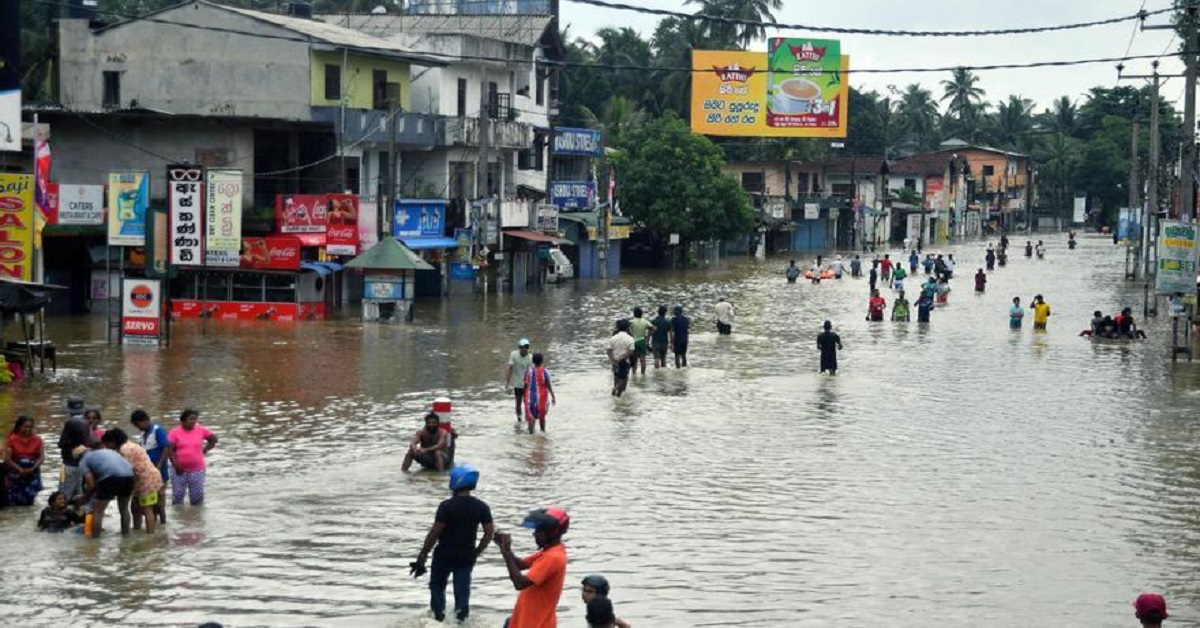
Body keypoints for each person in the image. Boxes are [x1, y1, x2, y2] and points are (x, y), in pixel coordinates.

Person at [410, 465, 494, 623]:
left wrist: (423, 554)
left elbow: (435, 533)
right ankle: (461, 622)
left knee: (437, 587)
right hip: (466, 557)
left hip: (444, 556)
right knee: (462, 592)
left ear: (456, 482)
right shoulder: (482, 507)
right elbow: (489, 534)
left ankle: (438, 619)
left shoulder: (446, 506)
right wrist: (476, 552)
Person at [496, 507, 570, 628]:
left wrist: (507, 553)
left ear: (551, 532)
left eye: (538, 530)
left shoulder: (553, 557)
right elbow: (519, 564)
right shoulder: (548, 552)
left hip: (536, 623)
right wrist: (505, 548)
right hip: (527, 619)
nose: (534, 534)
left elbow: (520, 583)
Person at [105, 428, 162, 534]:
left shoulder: (124, 450)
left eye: (107, 443)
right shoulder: (129, 445)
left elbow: (127, 469)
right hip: (144, 479)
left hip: (146, 480)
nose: (107, 447)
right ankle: (138, 530)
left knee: (147, 509)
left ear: (113, 441)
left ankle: (150, 535)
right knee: (135, 507)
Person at [78, 443, 135, 536]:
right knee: (124, 509)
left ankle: (95, 539)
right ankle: (126, 535)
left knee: (98, 511)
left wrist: (85, 498)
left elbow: (91, 484)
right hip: (129, 476)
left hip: (110, 477)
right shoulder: (106, 452)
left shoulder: (83, 460)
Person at [166, 409, 218, 505]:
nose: (193, 421)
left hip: (197, 469)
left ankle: (196, 518)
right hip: (178, 469)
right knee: (177, 497)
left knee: (197, 498)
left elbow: (214, 439)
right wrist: (176, 464)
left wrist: (205, 449)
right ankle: (178, 519)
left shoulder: (201, 430)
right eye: (190, 419)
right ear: (183, 420)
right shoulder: (175, 432)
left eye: (195, 419)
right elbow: (169, 450)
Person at [131, 410, 170, 525]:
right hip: (148, 475)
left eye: (138, 425)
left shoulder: (157, 430)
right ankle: (156, 524)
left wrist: (159, 464)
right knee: (151, 503)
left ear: (145, 420)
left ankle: (163, 524)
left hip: (160, 473)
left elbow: (166, 447)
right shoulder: (143, 436)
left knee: (160, 503)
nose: (138, 428)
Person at [57, 398, 90, 503]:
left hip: (70, 463)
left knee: (66, 492)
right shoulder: (85, 422)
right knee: (79, 491)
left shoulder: (70, 423)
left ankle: (63, 515)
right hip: (81, 462)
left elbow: (61, 443)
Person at [7, 415, 44, 506]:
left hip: (32, 472)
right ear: (20, 427)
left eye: (30, 427)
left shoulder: (38, 440)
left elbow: (41, 457)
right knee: (14, 500)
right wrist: (20, 469)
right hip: (16, 473)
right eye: (25, 427)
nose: (28, 429)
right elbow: (7, 459)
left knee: (30, 499)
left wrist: (32, 469)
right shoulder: (12, 440)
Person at [522, 353, 556, 434]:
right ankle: (542, 433)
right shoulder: (545, 371)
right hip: (542, 399)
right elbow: (548, 385)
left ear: (533, 361)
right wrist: (553, 396)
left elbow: (525, 385)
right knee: (542, 417)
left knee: (531, 418)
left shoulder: (528, 371)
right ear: (542, 361)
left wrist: (524, 398)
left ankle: (531, 435)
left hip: (530, 398)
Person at [505, 339, 534, 424]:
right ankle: (519, 420)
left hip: (527, 384)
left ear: (528, 348)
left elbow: (531, 372)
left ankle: (528, 420)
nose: (523, 349)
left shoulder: (530, 357)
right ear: (519, 347)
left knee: (527, 404)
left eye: (525, 347)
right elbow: (509, 368)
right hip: (517, 384)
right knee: (518, 404)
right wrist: (507, 383)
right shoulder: (513, 354)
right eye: (521, 347)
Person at [608, 319, 636, 397]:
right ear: (627, 328)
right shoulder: (630, 338)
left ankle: (615, 387)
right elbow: (631, 351)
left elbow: (608, 350)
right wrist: (622, 358)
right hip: (624, 361)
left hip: (615, 361)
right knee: (624, 378)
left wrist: (613, 359)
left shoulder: (613, 338)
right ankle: (618, 392)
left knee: (616, 376)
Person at [628, 307, 654, 373]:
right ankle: (643, 374)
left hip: (633, 342)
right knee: (643, 360)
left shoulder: (631, 322)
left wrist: (630, 335)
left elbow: (626, 329)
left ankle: (634, 374)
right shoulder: (645, 321)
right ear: (641, 314)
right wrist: (648, 337)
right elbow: (653, 328)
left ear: (634, 314)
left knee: (634, 360)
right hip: (642, 341)